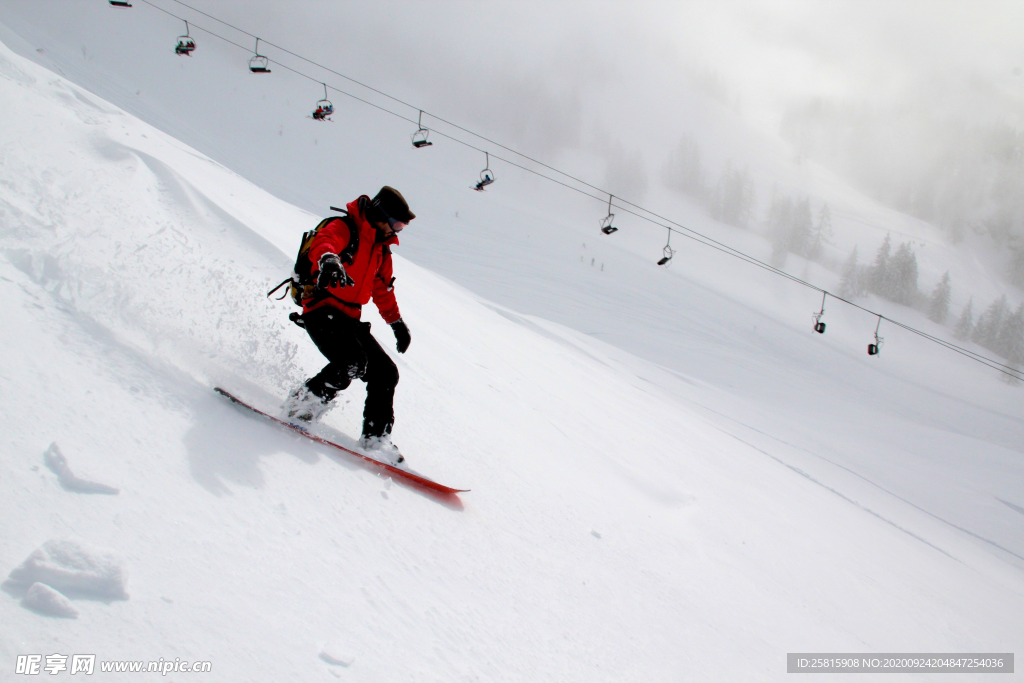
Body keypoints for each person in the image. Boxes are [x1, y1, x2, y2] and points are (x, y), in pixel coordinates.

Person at [283, 186, 415, 464]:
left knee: (385, 373)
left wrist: (396, 323)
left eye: (402, 227)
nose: (397, 231)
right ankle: (301, 406)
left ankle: (375, 438)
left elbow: (382, 290)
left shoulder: (381, 251)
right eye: (396, 224)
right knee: (351, 361)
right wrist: (328, 259)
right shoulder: (345, 228)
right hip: (321, 310)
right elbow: (324, 242)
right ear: (380, 214)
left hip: (350, 319)